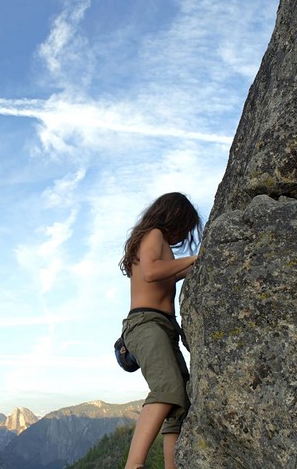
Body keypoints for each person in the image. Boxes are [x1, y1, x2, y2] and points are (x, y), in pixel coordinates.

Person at [119, 192, 201, 469]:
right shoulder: (154, 233)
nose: (184, 235)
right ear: (174, 216)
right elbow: (152, 272)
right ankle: (134, 465)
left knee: (182, 402)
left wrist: (191, 268)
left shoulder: (157, 241)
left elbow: (167, 274)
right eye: (185, 227)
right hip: (146, 324)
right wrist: (194, 259)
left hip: (162, 328)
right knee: (167, 388)